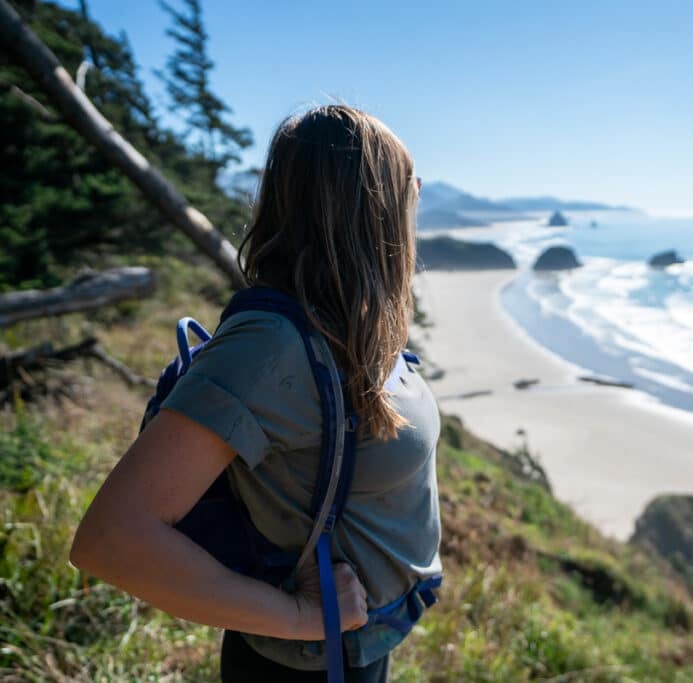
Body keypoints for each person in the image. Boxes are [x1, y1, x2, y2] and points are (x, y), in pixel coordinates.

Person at [70, 104, 442, 682]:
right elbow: (110, 539)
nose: (416, 196)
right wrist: (299, 617)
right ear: (371, 204)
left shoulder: (348, 321)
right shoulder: (271, 348)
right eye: (408, 183)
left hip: (362, 646)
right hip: (303, 666)